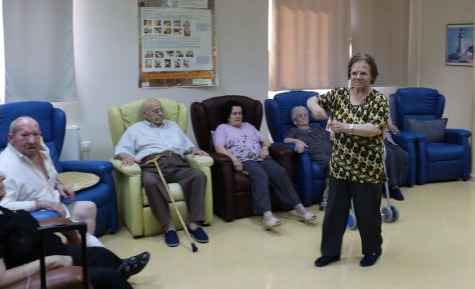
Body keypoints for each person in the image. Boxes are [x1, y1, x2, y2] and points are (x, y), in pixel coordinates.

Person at [0, 172, 150, 289]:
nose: (3, 176)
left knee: (102, 255)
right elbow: (2, 279)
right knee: (111, 278)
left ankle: (121, 271)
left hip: (52, 250)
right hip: (43, 267)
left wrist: (53, 234)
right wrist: (51, 262)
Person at [308, 53, 389, 268]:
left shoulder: (378, 100)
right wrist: (315, 107)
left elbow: (375, 129)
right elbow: (312, 99)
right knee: (334, 213)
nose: (358, 77)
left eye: (363, 73)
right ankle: (330, 252)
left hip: (367, 168)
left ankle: (373, 249)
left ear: (372, 76)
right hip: (340, 167)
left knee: (367, 214)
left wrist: (346, 127)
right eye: (354, 73)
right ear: (349, 75)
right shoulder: (340, 94)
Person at [114, 98, 210, 247]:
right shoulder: (135, 129)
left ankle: (194, 224)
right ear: (146, 114)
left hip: (178, 163)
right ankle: (168, 227)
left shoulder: (172, 125)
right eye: (155, 111)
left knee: (198, 176)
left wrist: (194, 150)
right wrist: (125, 156)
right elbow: (121, 149)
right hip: (152, 165)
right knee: (150, 182)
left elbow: (187, 146)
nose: (160, 113)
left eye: (161, 109)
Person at [0, 116, 103, 247]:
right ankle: (90, 253)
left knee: (88, 207)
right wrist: (41, 204)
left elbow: (51, 175)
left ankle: (83, 252)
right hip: (37, 217)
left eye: (36, 135)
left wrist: (59, 185)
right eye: (24, 135)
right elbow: (4, 205)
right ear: (11, 138)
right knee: (85, 240)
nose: (32, 141)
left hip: (57, 205)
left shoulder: (42, 150)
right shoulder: (5, 167)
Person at [213, 100, 316, 230]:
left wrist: (265, 148)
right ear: (227, 115)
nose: (238, 116)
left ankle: (300, 209)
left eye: (240, 113)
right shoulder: (222, 128)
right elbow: (219, 148)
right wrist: (233, 159)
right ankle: (267, 216)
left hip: (261, 157)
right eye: (234, 113)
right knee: (260, 175)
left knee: (279, 172)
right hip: (244, 160)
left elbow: (265, 141)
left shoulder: (249, 126)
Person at [284, 105, 332, 208]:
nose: (304, 117)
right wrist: (297, 140)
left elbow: (331, 136)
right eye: (300, 116)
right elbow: (285, 140)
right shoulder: (295, 131)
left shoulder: (317, 127)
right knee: (333, 164)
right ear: (295, 121)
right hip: (319, 155)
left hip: (332, 151)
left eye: (305, 114)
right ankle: (327, 197)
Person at [383, 119, 409, 201]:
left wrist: (391, 126)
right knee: (389, 154)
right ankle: (394, 187)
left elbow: (396, 132)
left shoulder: (385, 109)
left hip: (388, 140)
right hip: (376, 140)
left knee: (402, 153)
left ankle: (394, 184)